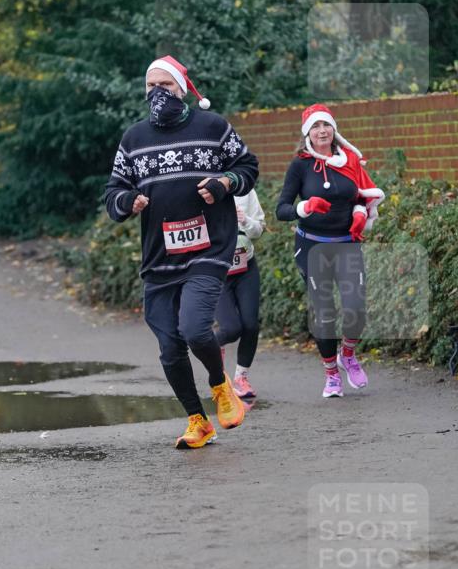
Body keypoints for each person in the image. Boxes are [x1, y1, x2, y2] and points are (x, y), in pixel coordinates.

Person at [104, 55, 260, 448]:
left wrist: (224, 182)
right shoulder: (133, 138)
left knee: (193, 329)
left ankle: (220, 384)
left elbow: (247, 167)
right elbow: (112, 193)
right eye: (150, 88)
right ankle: (198, 420)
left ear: (182, 89)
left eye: (165, 86)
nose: (157, 94)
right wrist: (128, 202)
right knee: (170, 348)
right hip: (159, 259)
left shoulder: (212, 126)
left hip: (209, 249)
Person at [276, 103, 384, 398]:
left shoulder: (349, 159)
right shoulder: (300, 165)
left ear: (333, 130)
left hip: (346, 243)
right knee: (324, 313)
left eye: (326, 125)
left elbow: (363, 195)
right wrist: (305, 207)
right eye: (315, 126)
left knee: (356, 309)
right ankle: (331, 375)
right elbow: (281, 209)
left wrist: (361, 213)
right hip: (312, 246)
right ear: (307, 133)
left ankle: (347, 355)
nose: (322, 131)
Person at [215, 188, 266, 399]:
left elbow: (259, 229)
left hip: (246, 268)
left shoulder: (245, 191)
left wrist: (245, 221)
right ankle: (216, 370)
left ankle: (240, 379)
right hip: (216, 271)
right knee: (231, 328)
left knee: (251, 325)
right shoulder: (199, 189)